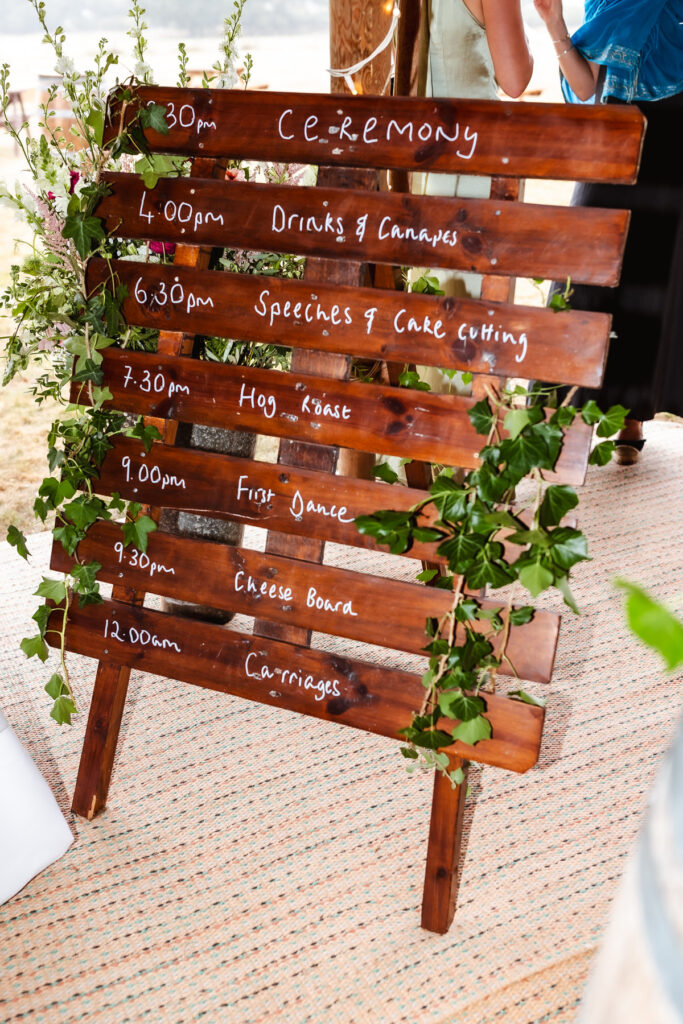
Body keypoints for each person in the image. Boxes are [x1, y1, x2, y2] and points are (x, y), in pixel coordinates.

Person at [534, 0, 683, 464]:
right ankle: (551, 418)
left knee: (652, 275)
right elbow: (586, 86)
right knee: (583, 273)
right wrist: (554, 23)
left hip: (673, 133)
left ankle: (631, 416)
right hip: (614, 132)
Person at [413, 0, 533, 395]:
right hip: (470, 169)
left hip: (410, 168)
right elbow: (515, 79)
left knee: (421, 335)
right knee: (469, 347)